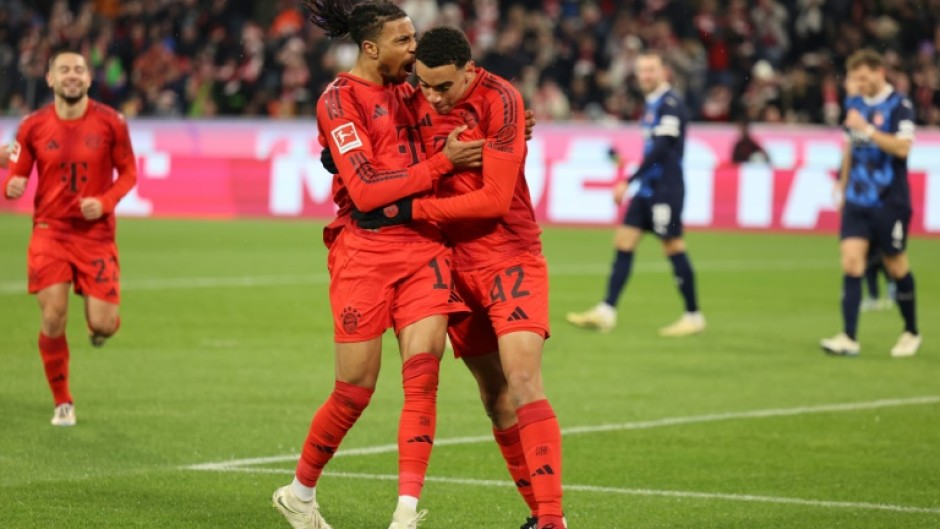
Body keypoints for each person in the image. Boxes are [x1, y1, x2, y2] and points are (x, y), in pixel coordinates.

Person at [271, 2, 485, 529]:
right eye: (404, 41)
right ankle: (299, 494)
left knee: (423, 375)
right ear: (371, 48)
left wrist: (511, 116)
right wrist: (441, 164)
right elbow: (365, 191)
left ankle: (405, 513)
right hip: (363, 252)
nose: (415, 49)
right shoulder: (339, 100)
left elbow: (472, 94)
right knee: (354, 390)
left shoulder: (414, 89)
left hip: (424, 247)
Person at [353, 26, 566, 529]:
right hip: (450, 265)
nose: (432, 96)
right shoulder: (412, 96)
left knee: (523, 380)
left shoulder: (501, 100)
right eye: (424, 84)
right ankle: (538, 515)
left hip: (509, 255)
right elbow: (372, 132)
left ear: (469, 70)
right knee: (495, 398)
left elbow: (494, 200)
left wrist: (412, 210)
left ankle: (553, 520)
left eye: (444, 86)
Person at [2, 49, 137, 426]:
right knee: (53, 316)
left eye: (79, 69)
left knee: (104, 324)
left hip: (96, 236)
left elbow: (129, 173)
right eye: (64, 70)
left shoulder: (112, 123)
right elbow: (17, 174)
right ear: (50, 79)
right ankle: (63, 402)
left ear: (89, 78)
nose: (72, 75)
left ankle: (100, 328)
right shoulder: (33, 126)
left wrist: (105, 201)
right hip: (50, 232)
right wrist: (12, 185)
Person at [566, 51, 705, 337]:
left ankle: (693, 316)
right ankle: (606, 311)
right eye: (642, 70)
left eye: (651, 69)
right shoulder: (651, 103)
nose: (646, 75)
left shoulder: (670, 103)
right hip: (647, 189)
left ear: (664, 71)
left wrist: (629, 180)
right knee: (623, 240)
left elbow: (662, 148)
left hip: (665, 189)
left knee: (673, 246)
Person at [821, 49, 921, 357]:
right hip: (857, 199)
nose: (859, 84)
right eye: (855, 78)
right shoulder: (855, 103)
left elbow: (902, 148)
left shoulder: (900, 105)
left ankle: (911, 331)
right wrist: (841, 183)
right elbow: (849, 146)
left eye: (864, 78)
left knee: (896, 266)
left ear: (880, 73)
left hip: (890, 201)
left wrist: (867, 128)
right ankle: (848, 337)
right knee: (851, 263)